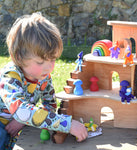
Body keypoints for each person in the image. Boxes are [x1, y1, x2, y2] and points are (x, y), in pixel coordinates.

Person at [0, 12, 88, 149]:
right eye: (40, 62)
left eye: (52, 59)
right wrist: (66, 124)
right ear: (19, 57)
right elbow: (21, 110)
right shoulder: (10, 77)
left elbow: (50, 104)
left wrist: (22, 121)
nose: (48, 67)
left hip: (16, 125)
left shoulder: (43, 77)